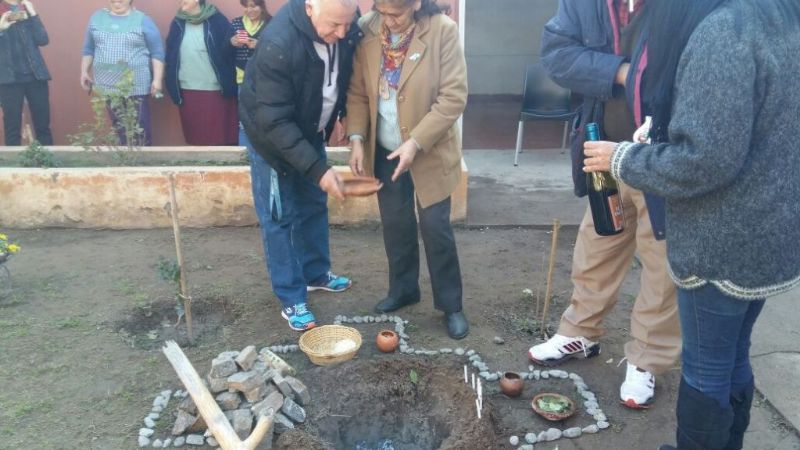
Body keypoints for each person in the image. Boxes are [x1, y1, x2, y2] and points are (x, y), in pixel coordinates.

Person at [582, 0, 800, 448]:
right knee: (733, 355)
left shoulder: (724, 31)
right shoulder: (780, 17)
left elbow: (704, 161)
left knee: (707, 371)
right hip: (769, 235)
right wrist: (662, 133)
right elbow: (749, 129)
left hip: (719, 244)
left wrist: (622, 157)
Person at [528, 0, 680, 409]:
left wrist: (604, 68)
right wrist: (624, 73)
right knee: (597, 245)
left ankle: (647, 358)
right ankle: (581, 332)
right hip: (601, 148)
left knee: (661, 262)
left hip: (661, 156)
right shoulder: (582, 3)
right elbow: (557, 55)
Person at [346, 0, 469, 339]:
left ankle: (451, 305)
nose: (388, 21)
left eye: (396, 13)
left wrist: (415, 142)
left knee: (435, 226)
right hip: (385, 150)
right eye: (382, 12)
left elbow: (453, 98)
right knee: (396, 223)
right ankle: (403, 290)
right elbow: (357, 92)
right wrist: (356, 138)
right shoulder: (368, 29)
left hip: (428, 150)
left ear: (416, 4)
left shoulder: (443, 31)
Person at [238, 0, 361, 332]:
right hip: (271, 138)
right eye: (334, 25)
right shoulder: (278, 43)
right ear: (310, 7)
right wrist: (319, 170)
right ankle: (291, 297)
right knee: (279, 217)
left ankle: (315, 273)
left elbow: (341, 74)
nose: (343, 33)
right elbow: (275, 122)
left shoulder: (345, 24)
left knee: (313, 203)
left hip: (311, 130)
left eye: (347, 24)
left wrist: (337, 117)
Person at [80, 0, 164, 146]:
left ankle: (144, 162)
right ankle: (126, 161)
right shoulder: (96, 18)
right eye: (113, 0)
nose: (116, 3)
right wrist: (84, 71)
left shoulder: (143, 20)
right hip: (107, 86)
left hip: (135, 86)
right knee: (119, 127)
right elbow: (89, 49)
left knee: (140, 128)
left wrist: (157, 80)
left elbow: (157, 52)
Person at [165, 0, 237, 145]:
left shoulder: (217, 20)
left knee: (216, 136)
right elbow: (171, 53)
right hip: (187, 86)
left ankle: (218, 166)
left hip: (214, 87)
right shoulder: (178, 23)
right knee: (194, 134)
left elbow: (228, 52)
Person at [0, 0, 52, 146]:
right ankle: (14, 168)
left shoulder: (26, 9)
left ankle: (48, 165)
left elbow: (43, 40)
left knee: (43, 127)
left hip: (36, 76)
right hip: (9, 79)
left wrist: (33, 13)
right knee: (12, 128)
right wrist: (1, 28)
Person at [230, 0, 271, 86]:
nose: (249, 10)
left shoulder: (271, 23)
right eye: (246, 6)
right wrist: (231, 42)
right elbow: (223, 51)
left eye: (253, 6)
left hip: (265, 77)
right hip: (242, 78)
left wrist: (260, 46)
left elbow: (279, 51)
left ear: (262, 6)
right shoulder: (236, 23)